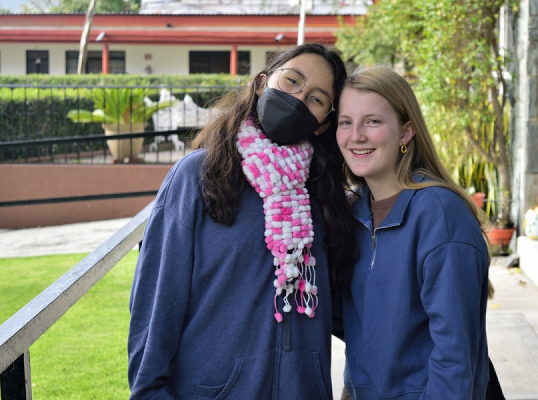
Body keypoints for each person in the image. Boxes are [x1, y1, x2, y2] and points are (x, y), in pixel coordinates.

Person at [127, 43, 357, 400]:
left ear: (324, 122)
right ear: (262, 83)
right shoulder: (198, 176)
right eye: (292, 81)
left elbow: (349, 310)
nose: (298, 98)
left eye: (316, 98)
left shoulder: (324, 195)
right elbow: (158, 301)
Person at [334, 65, 493, 399]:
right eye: (345, 122)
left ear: (406, 132)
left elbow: (454, 358)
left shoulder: (441, 216)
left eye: (372, 121)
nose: (356, 136)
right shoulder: (352, 214)